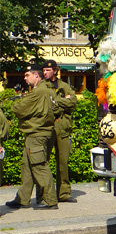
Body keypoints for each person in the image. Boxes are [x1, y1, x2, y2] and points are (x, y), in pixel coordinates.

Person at [5, 66, 58, 210]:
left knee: (40, 166)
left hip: (37, 134)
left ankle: (50, 200)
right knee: (27, 168)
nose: (25, 77)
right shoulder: (46, 90)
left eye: (27, 75)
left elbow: (18, 108)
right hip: (38, 134)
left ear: (36, 75)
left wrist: (13, 103)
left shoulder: (38, 92)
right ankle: (22, 198)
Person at [41, 60, 77, 203]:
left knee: (63, 162)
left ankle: (63, 194)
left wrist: (56, 101)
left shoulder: (64, 86)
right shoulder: (42, 86)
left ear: (55, 71)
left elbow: (73, 102)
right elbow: (45, 106)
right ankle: (45, 195)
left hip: (62, 127)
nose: (45, 73)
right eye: (43, 70)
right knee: (44, 162)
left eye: (48, 70)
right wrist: (62, 101)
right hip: (47, 127)